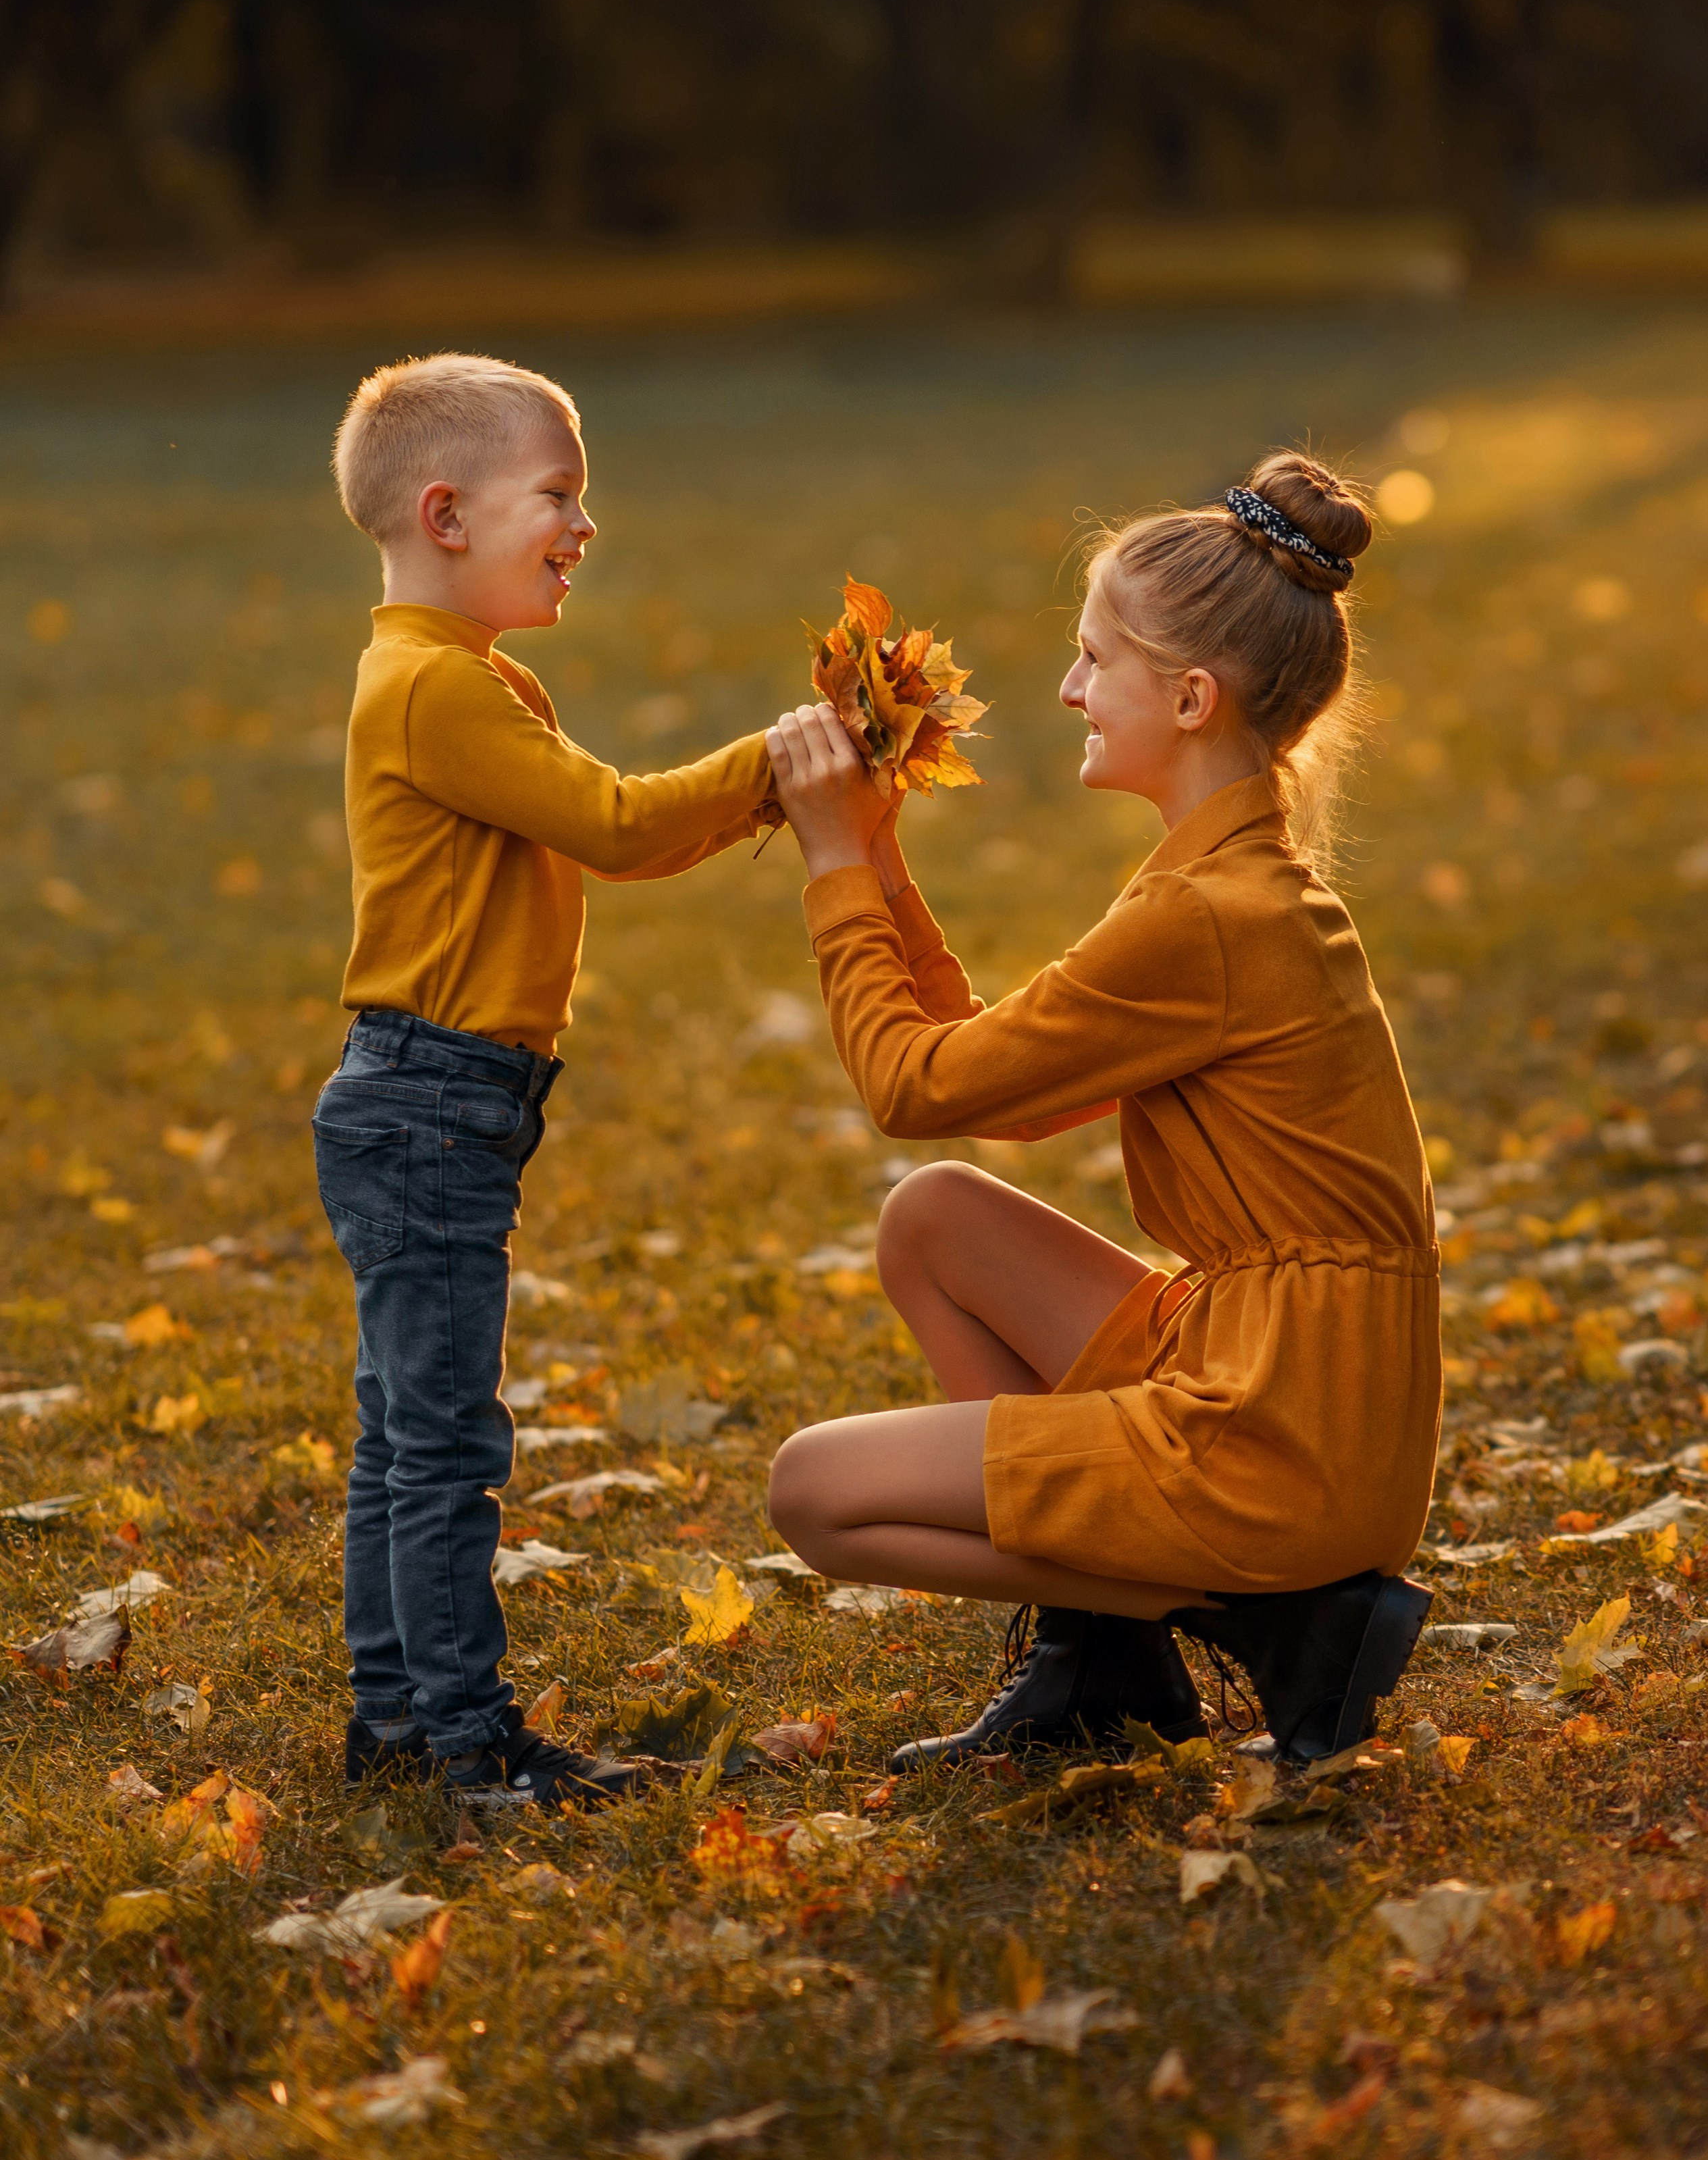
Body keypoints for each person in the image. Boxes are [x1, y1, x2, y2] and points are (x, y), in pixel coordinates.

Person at [764, 453, 1438, 1770]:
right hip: (1288, 1369)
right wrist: (886, 859)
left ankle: (1271, 1616)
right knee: (937, 1221)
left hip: (1281, 1432)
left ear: (1188, 698)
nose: (1067, 688)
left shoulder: (1201, 917)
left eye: (1091, 661)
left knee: (813, 1494)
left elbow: (914, 1085)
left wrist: (833, 865)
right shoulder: (1221, 884)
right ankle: (1104, 1664)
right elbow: (987, 1087)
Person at [319, 352, 775, 1806]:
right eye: (561, 496)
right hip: (429, 1102)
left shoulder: (465, 676)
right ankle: (466, 1744)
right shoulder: (433, 692)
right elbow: (620, 827)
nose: (586, 526)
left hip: (430, 1098)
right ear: (445, 516)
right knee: (441, 1441)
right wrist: (780, 757)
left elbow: (608, 835)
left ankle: (395, 1718)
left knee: (405, 1429)